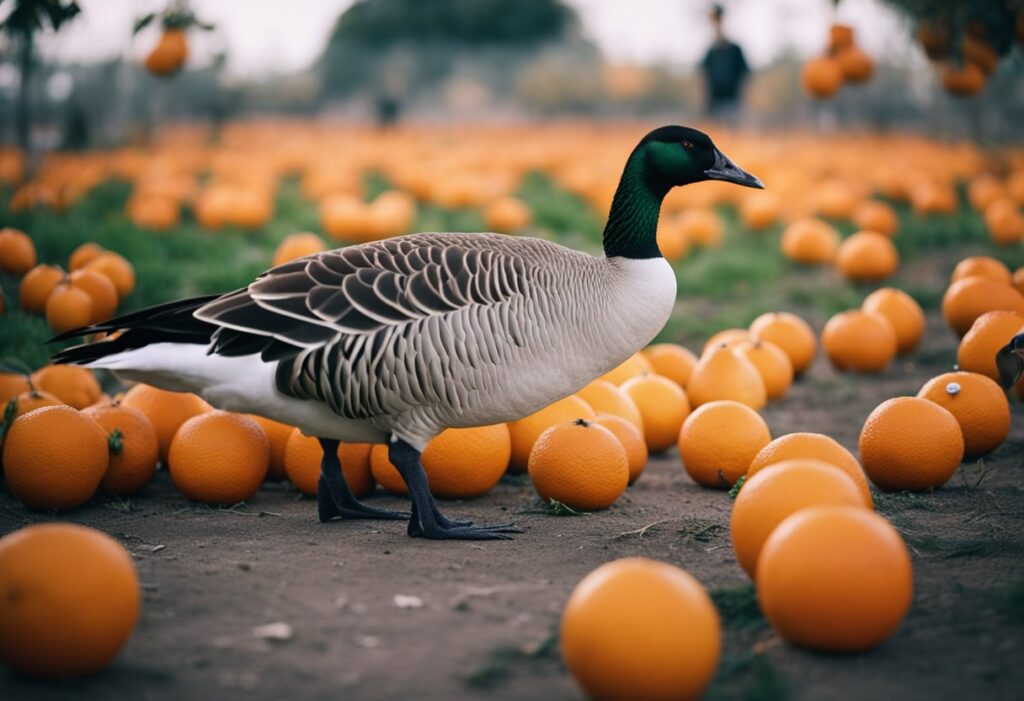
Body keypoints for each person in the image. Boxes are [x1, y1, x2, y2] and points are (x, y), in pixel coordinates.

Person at [700, 4, 749, 123]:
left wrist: (744, 101)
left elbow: (744, 75)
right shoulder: (710, 52)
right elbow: (703, 76)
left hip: (732, 102)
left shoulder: (735, 50)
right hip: (713, 103)